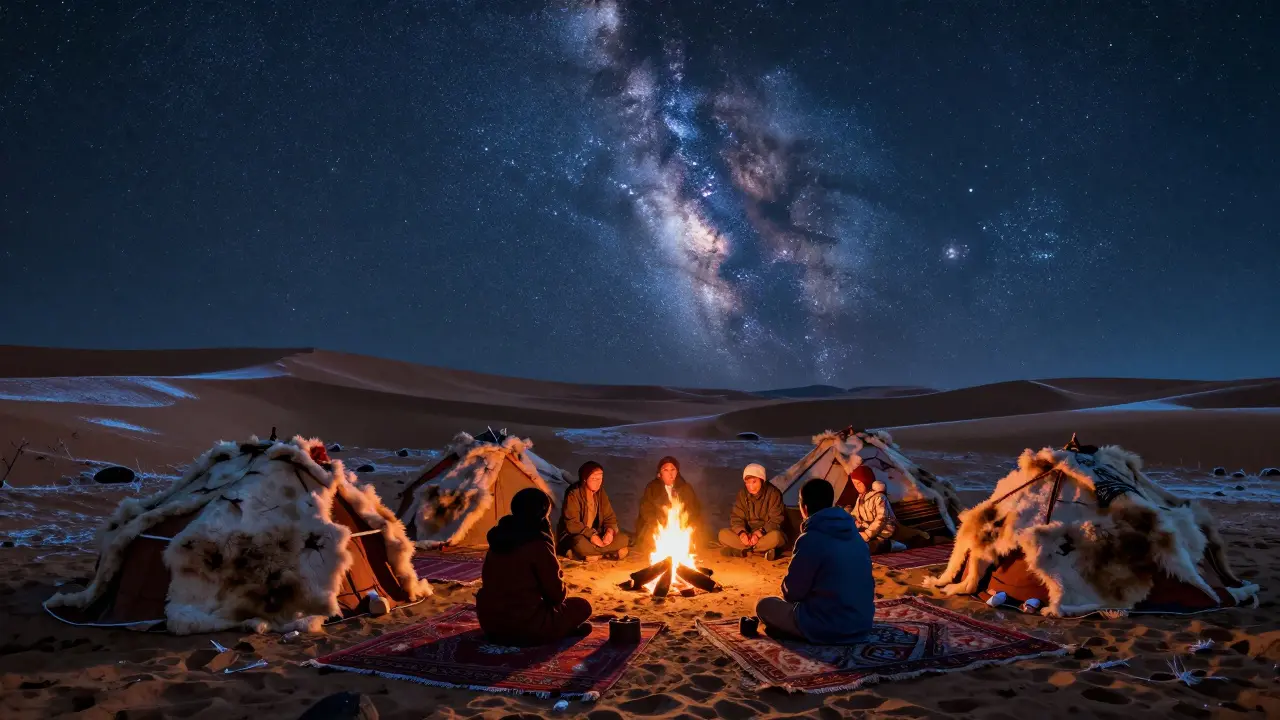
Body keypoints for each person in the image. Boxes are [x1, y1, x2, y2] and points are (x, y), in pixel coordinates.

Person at [754, 478, 874, 644]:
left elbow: (792, 593)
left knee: (764, 605)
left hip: (826, 626)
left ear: (804, 508)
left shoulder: (810, 539)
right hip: (861, 624)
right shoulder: (856, 537)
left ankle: (798, 633)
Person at [476, 488, 592, 646]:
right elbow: (556, 596)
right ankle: (554, 632)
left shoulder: (499, 537)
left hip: (490, 623)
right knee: (582, 606)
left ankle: (556, 629)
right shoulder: (537, 543)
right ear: (543, 512)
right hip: (525, 624)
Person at [557, 461, 630, 561]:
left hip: (597, 533)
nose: (598, 482)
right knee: (580, 543)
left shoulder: (601, 493)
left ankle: (595, 554)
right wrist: (591, 535)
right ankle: (604, 553)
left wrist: (609, 532)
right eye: (594, 479)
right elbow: (572, 524)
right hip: (578, 535)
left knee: (624, 539)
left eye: (600, 479)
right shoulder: (573, 493)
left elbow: (610, 517)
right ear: (585, 479)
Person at [634, 455, 704, 551]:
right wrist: (661, 525)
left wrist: (683, 523)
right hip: (658, 526)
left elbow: (694, 509)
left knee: (695, 534)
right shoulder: (652, 488)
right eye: (665, 470)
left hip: (681, 527)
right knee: (651, 539)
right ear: (659, 474)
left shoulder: (685, 488)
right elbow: (646, 510)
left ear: (677, 472)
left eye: (673, 470)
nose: (670, 474)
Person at [718, 463, 786, 560]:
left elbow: (777, 520)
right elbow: (737, 518)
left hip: (766, 534)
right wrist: (742, 534)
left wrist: (759, 533)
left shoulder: (774, 494)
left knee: (776, 537)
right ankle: (760, 551)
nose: (751, 486)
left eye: (754, 482)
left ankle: (742, 550)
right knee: (723, 534)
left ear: (762, 481)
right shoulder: (742, 494)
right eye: (747, 483)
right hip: (748, 535)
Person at [845, 469, 898, 554]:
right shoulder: (860, 498)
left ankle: (891, 545)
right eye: (854, 484)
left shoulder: (879, 497)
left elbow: (881, 519)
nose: (856, 486)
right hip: (867, 529)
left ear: (867, 481)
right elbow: (855, 514)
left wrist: (867, 534)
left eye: (859, 483)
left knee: (864, 548)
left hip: (883, 531)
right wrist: (853, 520)